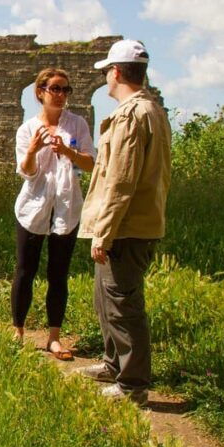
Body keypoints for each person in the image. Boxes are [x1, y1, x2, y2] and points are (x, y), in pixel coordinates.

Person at [75, 39, 171, 406]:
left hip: (126, 228)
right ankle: (114, 365)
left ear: (116, 72)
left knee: (122, 304)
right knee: (108, 299)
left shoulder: (133, 114)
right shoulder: (152, 110)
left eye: (106, 72)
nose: (105, 79)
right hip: (133, 225)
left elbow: (121, 180)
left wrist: (105, 231)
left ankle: (132, 385)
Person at [12, 68, 95, 360]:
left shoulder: (78, 125)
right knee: (25, 270)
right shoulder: (26, 129)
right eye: (55, 89)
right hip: (33, 206)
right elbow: (27, 172)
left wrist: (69, 152)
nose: (60, 95)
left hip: (67, 205)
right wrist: (33, 150)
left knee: (58, 274)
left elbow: (90, 164)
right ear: (40, 92)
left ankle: (54, 338)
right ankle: (18, 331)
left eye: (65, 90)